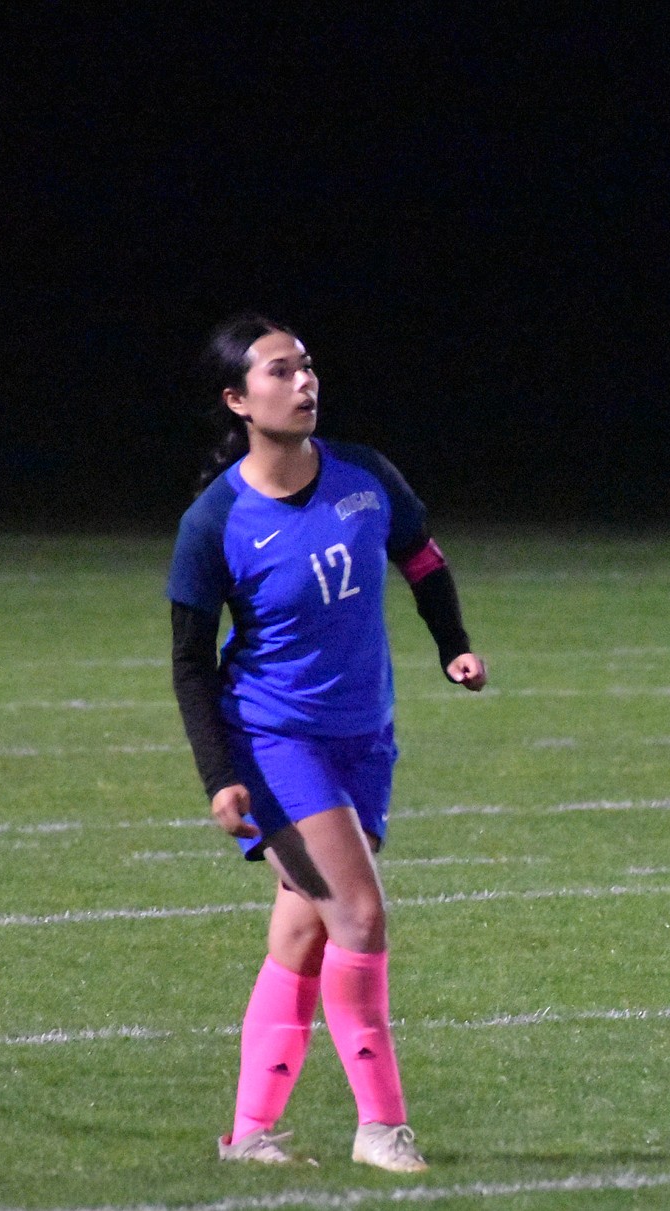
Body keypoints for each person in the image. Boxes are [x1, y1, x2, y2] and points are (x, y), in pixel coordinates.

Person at [166, 313, 487, 1172]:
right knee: (360, 913)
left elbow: (421, 559)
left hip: (364, 736)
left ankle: (249, 1134)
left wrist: (450, 642)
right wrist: (218, 777)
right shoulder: (216, 521)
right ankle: (381, 1126)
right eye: (280, 371)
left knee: (304, 935)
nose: (304, 382)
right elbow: (192, 664)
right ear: (238, 399)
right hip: (273, 740)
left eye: (307, 366)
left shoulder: (364, 476)